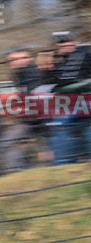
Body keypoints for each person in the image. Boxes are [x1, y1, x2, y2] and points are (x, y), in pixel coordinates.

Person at [39, 31, 91, 164]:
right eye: (61, 45)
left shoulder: (84, 56)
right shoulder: (53, 61)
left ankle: (64, 161)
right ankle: (64, 162)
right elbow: (48, 83)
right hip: (65, 103)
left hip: (83, 100)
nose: (65, 47)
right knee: (64, 128)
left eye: (68, 43)